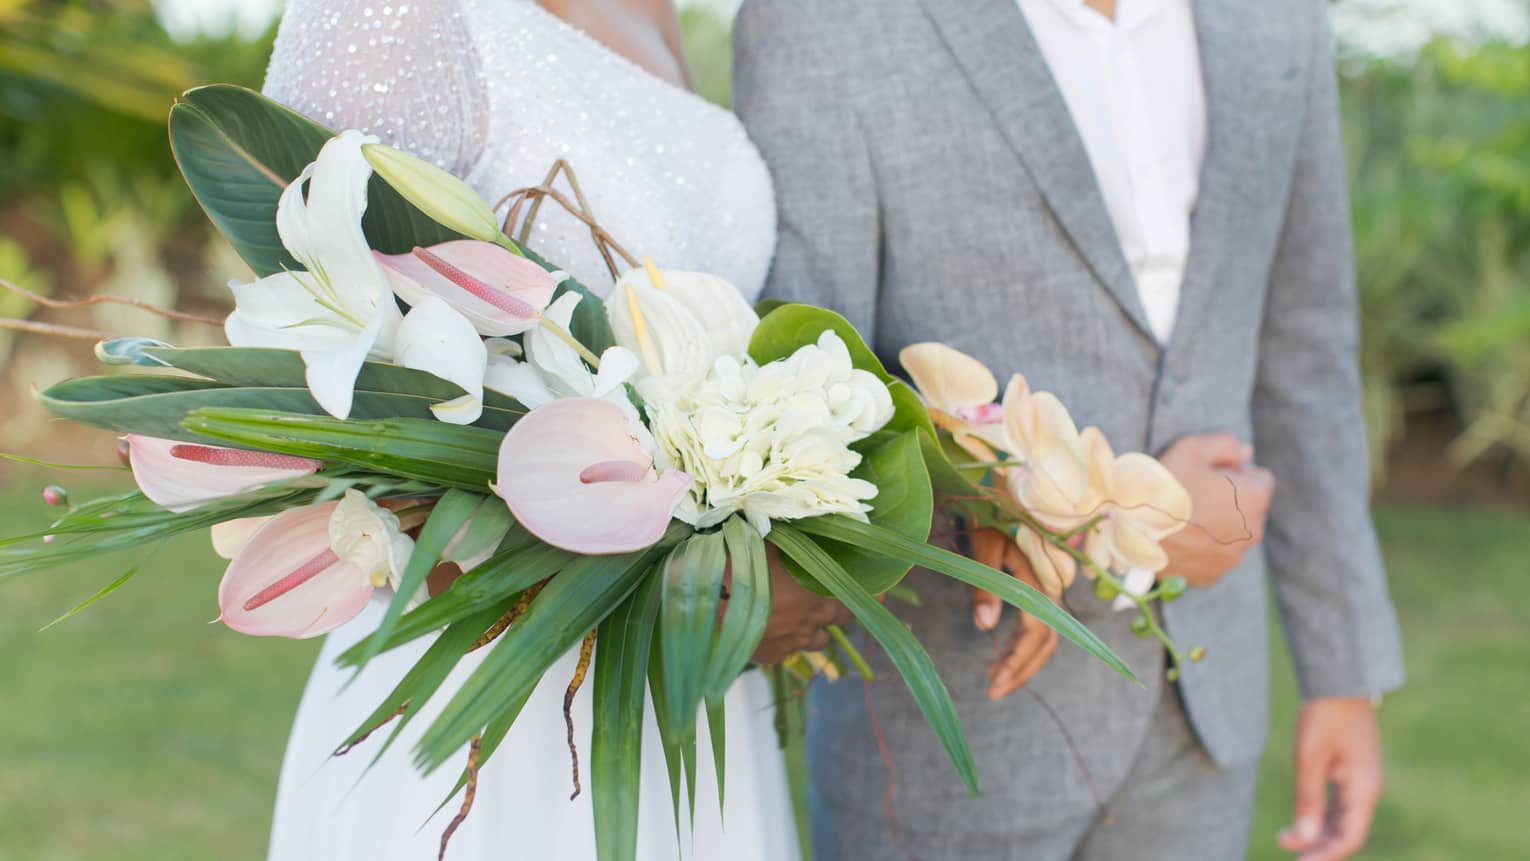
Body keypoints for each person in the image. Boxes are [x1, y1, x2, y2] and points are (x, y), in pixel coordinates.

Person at [735, 0, 1405, 859]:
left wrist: (1344, 672)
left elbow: (1305, 357)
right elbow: (802, 392)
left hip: (1201, 714)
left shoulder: (1277, 22)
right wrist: (1089, 522)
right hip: (952, 732)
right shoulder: (825, 23)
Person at [259, 1, 839, 857]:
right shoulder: (393, 16)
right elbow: (328, 424)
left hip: (687, 702)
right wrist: (680, 600)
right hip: (493, 705)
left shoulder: (659, 14)